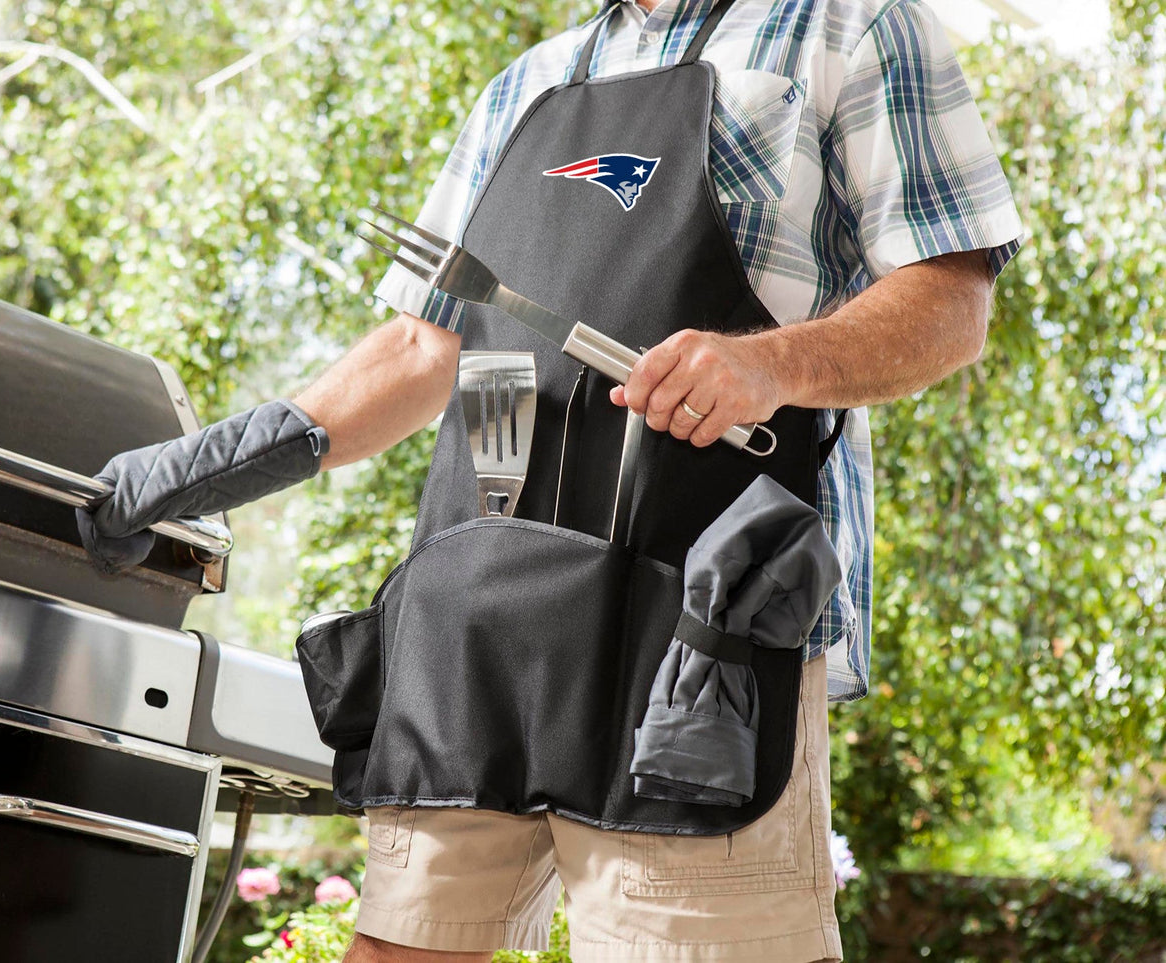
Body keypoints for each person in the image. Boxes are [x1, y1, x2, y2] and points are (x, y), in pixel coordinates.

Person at [77, 1, 1024, 960]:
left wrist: (768, 367)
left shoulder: (847, 30)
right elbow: (422, 345)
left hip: (694, 637)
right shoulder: (531, 81)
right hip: (471, 631)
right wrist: (210, 464)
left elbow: (950, 301)